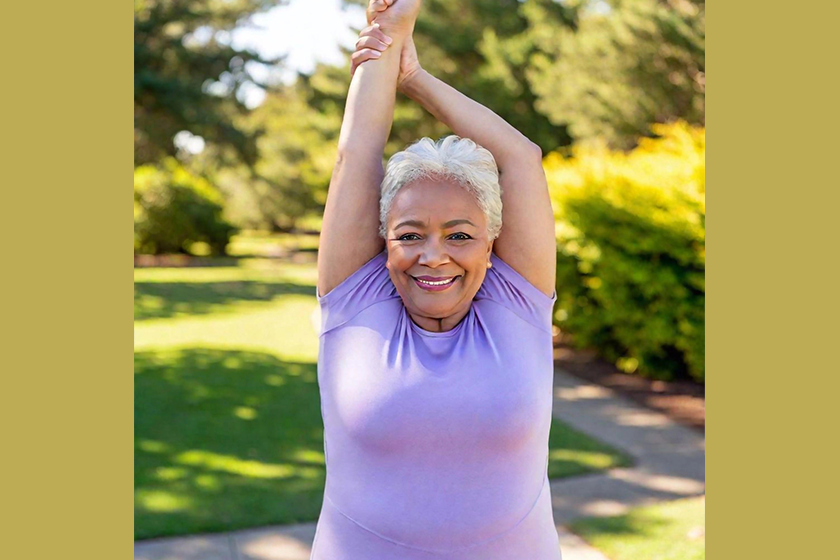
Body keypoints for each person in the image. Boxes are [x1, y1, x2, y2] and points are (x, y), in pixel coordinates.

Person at [311, 1, 562, 558]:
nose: (433, 256)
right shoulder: (358, 301)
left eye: (459, 235)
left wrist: (415, 78)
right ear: (384, 239)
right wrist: (389, 34)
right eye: (409, 235)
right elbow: (357, 152)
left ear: (492, 241)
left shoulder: (515, 302)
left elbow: (521, 156)